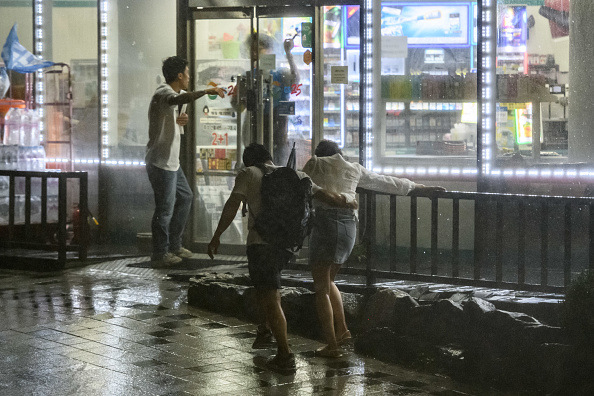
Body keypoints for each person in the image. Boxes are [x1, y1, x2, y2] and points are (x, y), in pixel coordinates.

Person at [207, 143, 356, 372]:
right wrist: (348, 201)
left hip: (261, 244)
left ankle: (285, 356)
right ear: (269, 157)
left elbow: (232, 205)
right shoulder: (297, 175)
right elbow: (325, 195)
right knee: (266, 291)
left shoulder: (249, 173)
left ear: (250, 161)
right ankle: (265, 329)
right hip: (287, 246)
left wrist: (217, 236)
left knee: (271, 297)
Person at [303, 140, 446, 357]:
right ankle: (342, 331)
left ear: (319, 154)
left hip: (325, 225)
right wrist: (422, 188)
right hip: (348, 227)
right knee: (329, 281)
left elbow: (303, 189)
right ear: (340, 154)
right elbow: (387, 182)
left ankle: (331, 346)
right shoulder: (353, 168)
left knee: (321, 287)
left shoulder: (314, 164)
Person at [146, 56, 225, 266]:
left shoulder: (175, 94)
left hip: (172, 162)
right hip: (161, 162)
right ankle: (160, 253)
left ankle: (174, 245)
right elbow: (176, 100)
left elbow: (174, 120)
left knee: (186, 197)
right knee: (165, 210)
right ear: (179, 75)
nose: (189, 78)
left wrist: (182, 122)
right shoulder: (164, 92)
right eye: (188, 74)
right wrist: (207, 91)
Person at [234, 34, 298, 165]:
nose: (254, 53)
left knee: (278, 172)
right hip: (255, 133)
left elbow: (295, 79)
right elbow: (237, 106)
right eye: (252, 49)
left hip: (278, 133)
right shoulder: (248, 78)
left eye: (259, 49)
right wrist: (243, 99)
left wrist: (289, 54)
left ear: (269, 50)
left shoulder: (280, 74)